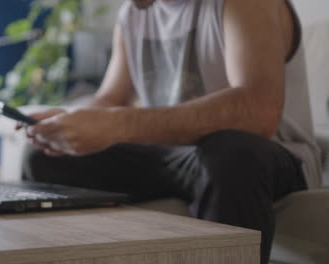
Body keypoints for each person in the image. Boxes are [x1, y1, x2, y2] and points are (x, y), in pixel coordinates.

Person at [17, 0, 322, 263]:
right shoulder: (134, 13)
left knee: (230, 154)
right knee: (44, 158)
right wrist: (71, 121)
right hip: (179, 158)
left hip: (268, 156)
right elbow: (111, 99)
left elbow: (257, 112)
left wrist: (117, 123)